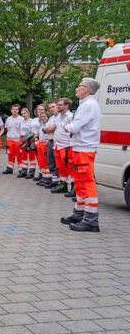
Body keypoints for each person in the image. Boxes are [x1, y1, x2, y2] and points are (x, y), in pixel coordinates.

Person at [61, 78, 102, 232]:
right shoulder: (86, 105)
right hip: (81, 148)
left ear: (87, 89)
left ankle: (90, 219)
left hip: (84, 149)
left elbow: (75, 127)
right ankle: (80, 213)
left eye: (79, 86)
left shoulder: (88, 105)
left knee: (86, 183)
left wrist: (67, 126)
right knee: (79, 182)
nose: (77, 88)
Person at [50, 98, 74, 195]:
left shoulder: (71, 116)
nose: (58, 106)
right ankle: (63, 185)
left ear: (66, 105)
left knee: (70, 167)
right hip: (58, 145)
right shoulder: (59, 117)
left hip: (66, 145)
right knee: (60, 167)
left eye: (60, 104)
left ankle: (73, 187)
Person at [43, 101, 60, 188]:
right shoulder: (52, 118)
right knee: (51, 162)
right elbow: (46, 129)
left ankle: (58, 182)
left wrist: (50, 129)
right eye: (50, 108)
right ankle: (54, 181)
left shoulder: (60, 117)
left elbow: (51, 129)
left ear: (58, 106)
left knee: (58, 163)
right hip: (50, 141)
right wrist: (50, 129)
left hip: (58, 142)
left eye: (53, 107)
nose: (51, 109)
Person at [3, 104, 24, 174]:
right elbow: (7, 129)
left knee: (19, 155)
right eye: (13, 109)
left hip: (18, 140)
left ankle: (21, 169)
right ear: (11, 110)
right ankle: (9, 168)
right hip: (9, 140)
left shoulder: (21, 119)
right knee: (10, 154)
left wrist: (20, 138)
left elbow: (23, 130)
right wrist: (7, 138)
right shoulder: (8, 119)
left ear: (18, 110)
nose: (14, 110)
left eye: (16, 109)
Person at [18, 108, 38, 179]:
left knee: (31, 156)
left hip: (30, 139)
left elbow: (33, 130)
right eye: (22, 114)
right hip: (23, 139)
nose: (23, 115)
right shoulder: (21, 121)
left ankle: (31, 172)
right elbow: (20, 131)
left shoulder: (32, 121)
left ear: (28, 113)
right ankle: (23, 171)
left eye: (25, 113)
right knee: (23, 156)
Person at [35, 111, 52, 187]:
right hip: (41, 144)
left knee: (46, 162)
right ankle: (44, 177)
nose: (42, 118)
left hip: (46, 144)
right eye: (41, 117)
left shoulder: (49, 125)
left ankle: (48, 178)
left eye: (44, 116)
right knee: (41, 162)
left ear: (48, 117)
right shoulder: (41, 125)